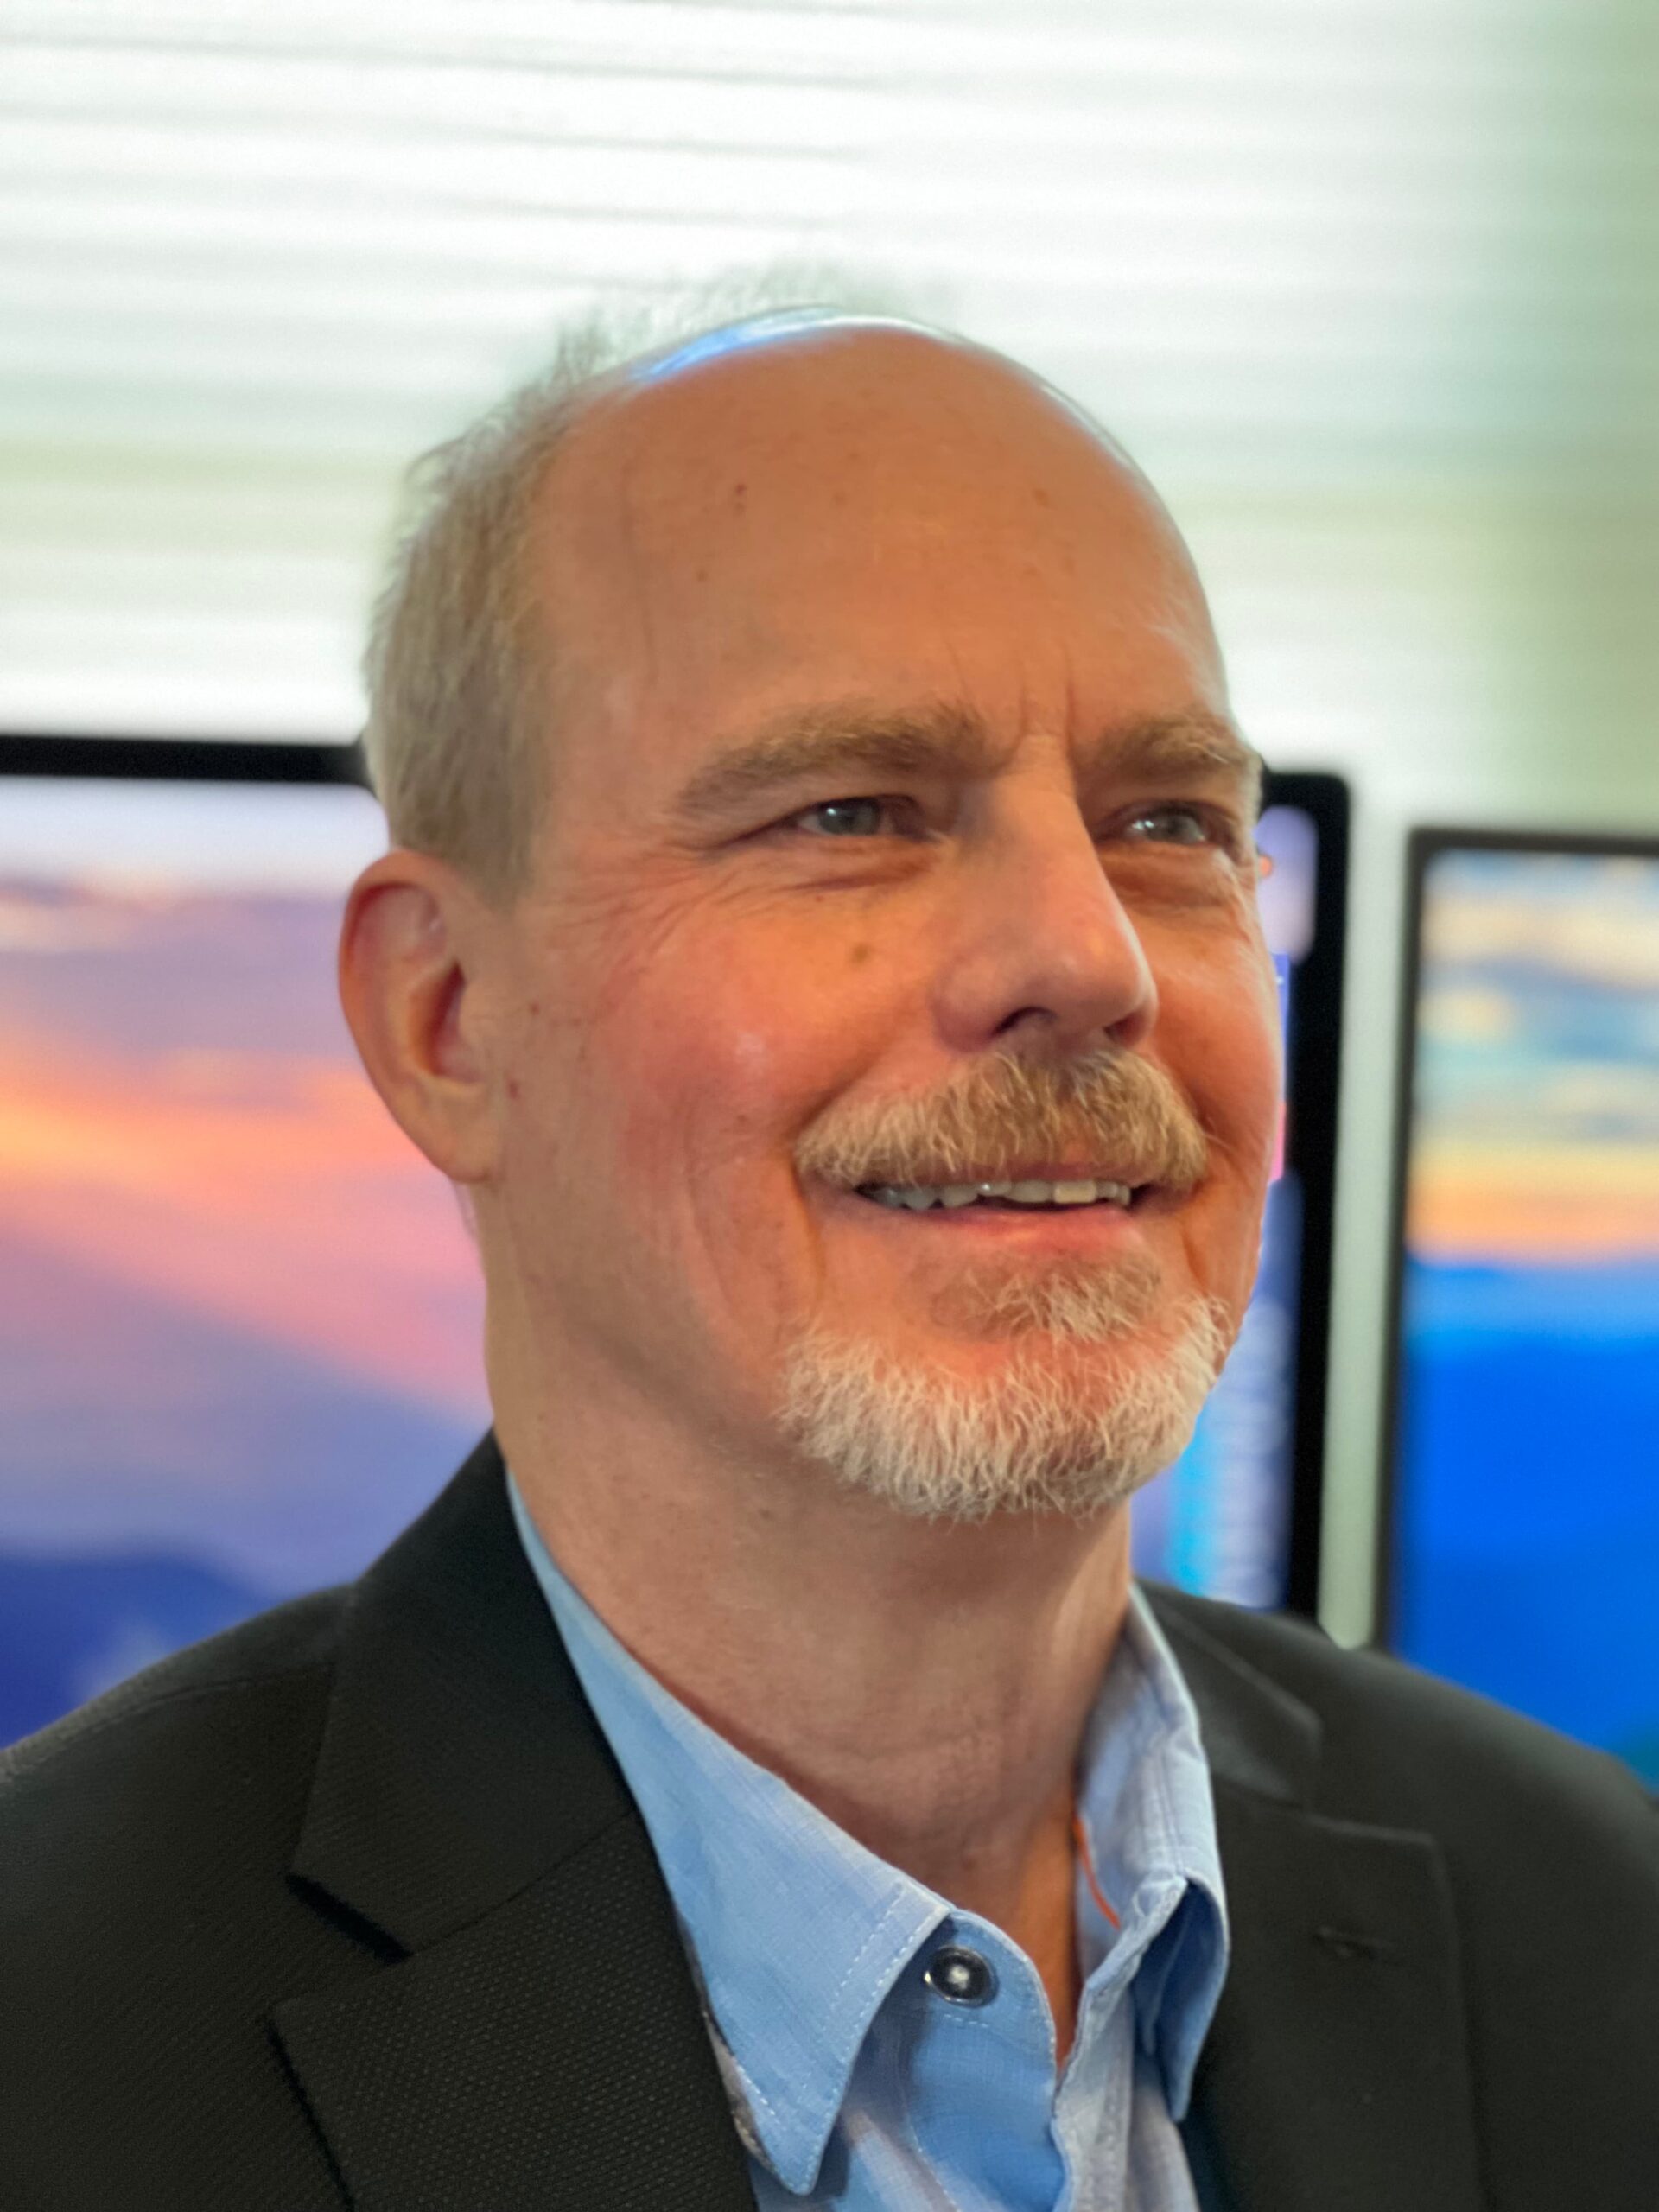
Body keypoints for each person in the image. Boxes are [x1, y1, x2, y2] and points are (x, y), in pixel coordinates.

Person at [2, 308, 1655, 2212]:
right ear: (451, 1020)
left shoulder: (1592, 1914)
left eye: (1170, 824)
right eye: (852, 813)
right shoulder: (53, 2044)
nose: (1092, 956)